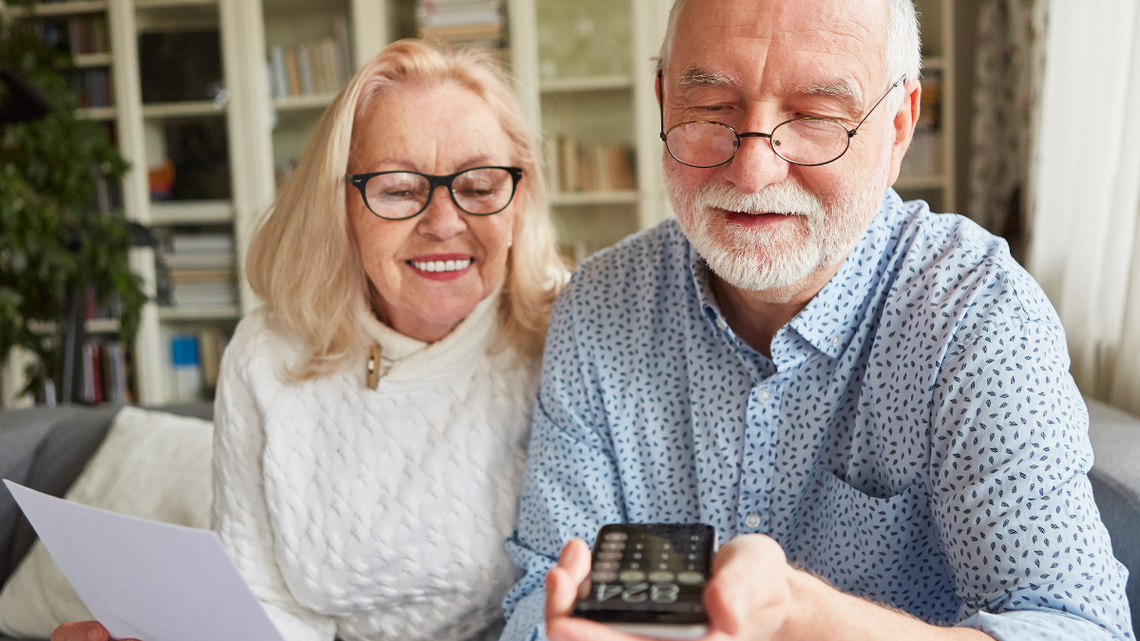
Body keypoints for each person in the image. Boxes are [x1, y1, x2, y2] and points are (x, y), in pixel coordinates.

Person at [501, 1, 1133, 640]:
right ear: (664, 103)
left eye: (816, 118)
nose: (753, 172)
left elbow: (1077, 627)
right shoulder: (599, 305)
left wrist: (805, 618)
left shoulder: (977, 315)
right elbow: (541, 587)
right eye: (711, 108)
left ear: (898, 128)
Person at [51, 39, 566, 641]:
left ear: (519, 199)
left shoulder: (570, 335)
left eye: (478, 186)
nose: (445, 222)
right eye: (399, 189)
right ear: (339, 205)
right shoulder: (265, 355)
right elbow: (260, 596)